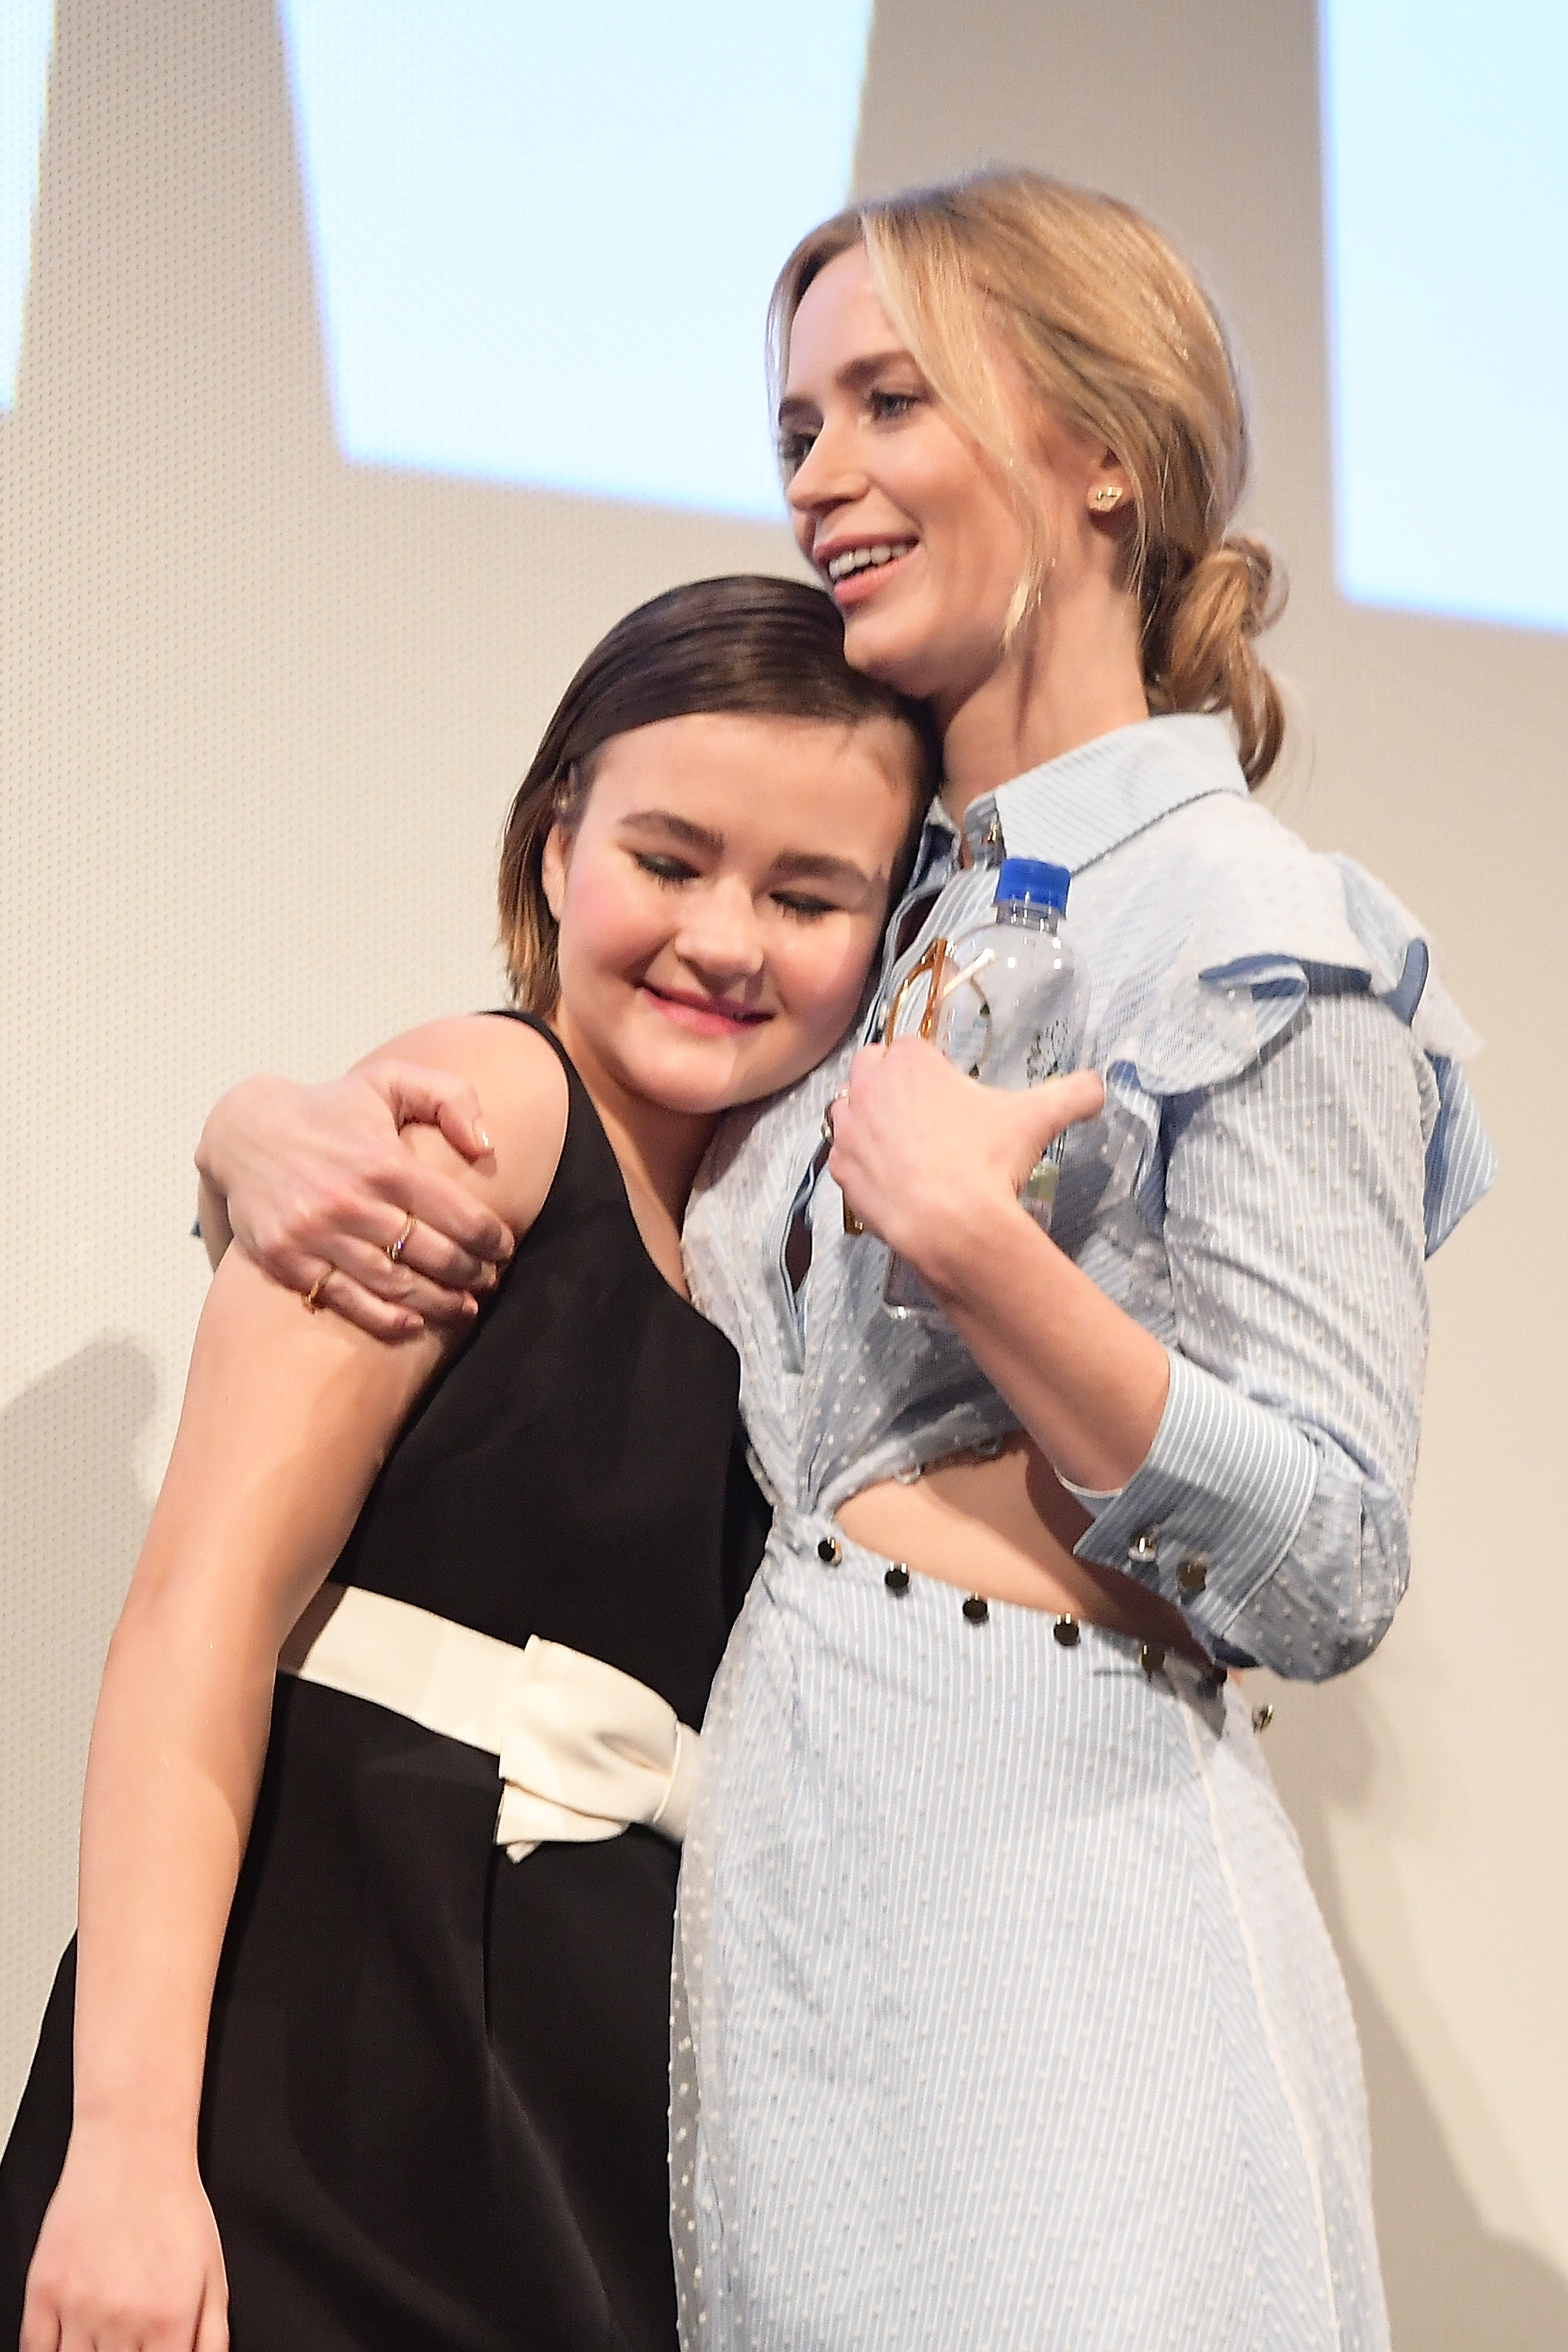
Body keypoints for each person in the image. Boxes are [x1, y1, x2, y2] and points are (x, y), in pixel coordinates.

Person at [195, 172, 1497, 2350]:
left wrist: (995, 1259)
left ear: (1107, 450)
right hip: (783, 1967)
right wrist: (247, 1134)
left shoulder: (1261, 936)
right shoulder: (878, 920)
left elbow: (1337, 1560)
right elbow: (585, 1186)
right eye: (797, 420)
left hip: (1065, 1933)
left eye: (889, 400)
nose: (822, 476)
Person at [0, 575, 942, 2352]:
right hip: (341, 2080)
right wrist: (128, 2150)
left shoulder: (776, 1261)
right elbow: (197, 1617)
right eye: (669, 860)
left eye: (808, 895)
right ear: (553, 842)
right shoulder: (479, 1112)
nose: (726, 937)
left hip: (587, 2138)